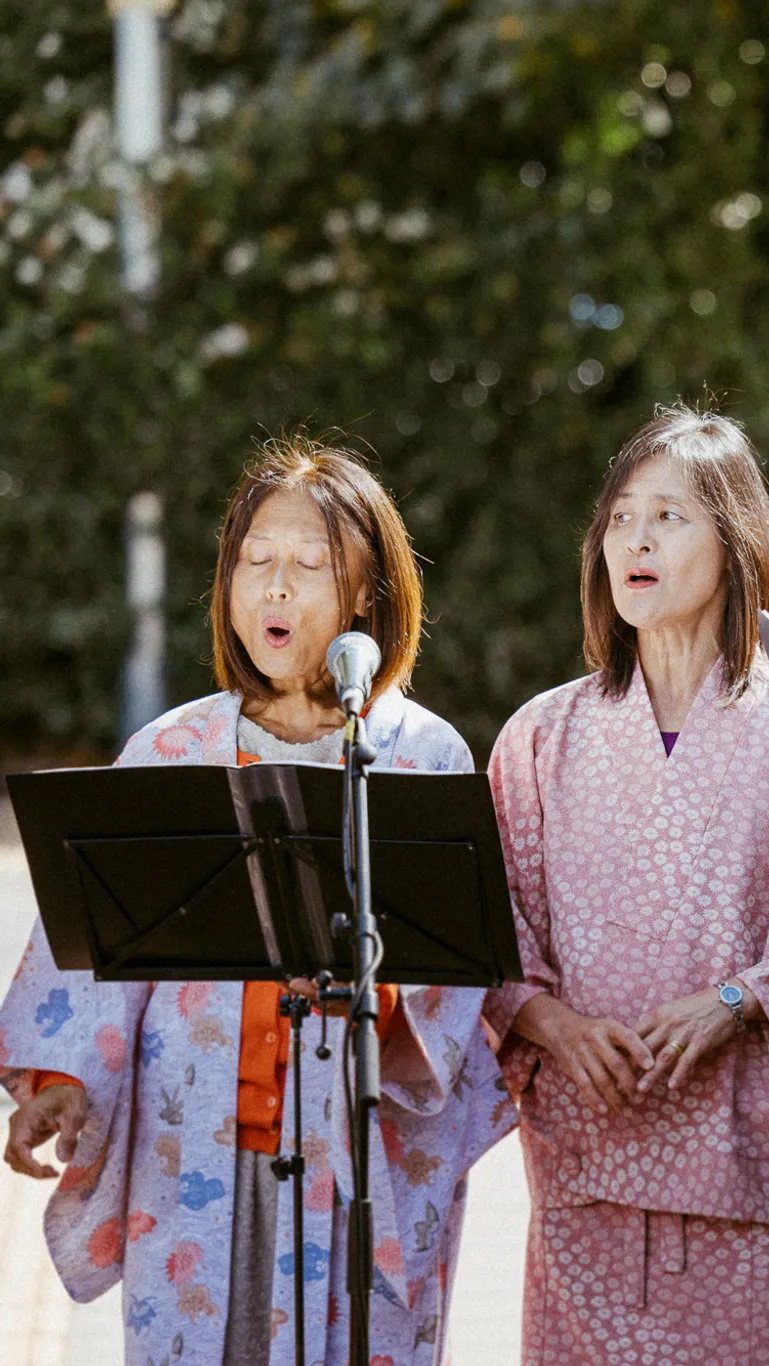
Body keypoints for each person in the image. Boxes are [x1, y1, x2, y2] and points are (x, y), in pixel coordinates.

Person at [0, 435, 506, 1366]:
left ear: (365, 594)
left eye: (310, 566)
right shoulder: (169, 749)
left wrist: (382, 1001)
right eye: (253, 561)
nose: (274, 588)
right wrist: (59, 1082)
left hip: (357, 1150)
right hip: (191, 1140)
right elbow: (98, 953)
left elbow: (456, 975)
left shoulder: (421, 754)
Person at [481, 406, 769, 1366]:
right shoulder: (539, 738)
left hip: (747, 1172)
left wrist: (737, 1001)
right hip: (583, 1167)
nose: (635, 540)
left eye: (670, 516)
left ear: (736, 544)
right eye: (619, 518)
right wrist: (552, 1024)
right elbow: (488, 936)